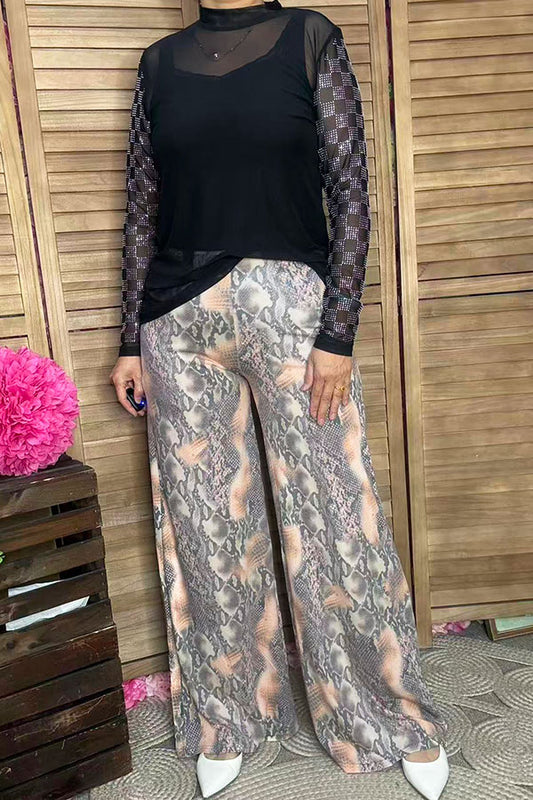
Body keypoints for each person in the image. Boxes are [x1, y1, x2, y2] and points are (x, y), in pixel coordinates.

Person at [110, 1, 450, 798]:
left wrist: (338, 332)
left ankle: (386, 717)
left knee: (336, 522)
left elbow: (349, 190)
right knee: (205, 530)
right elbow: (142, 212)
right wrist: (128, 338)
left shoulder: (308, 39)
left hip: (294, 315)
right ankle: (227, 718)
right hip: (177, 325)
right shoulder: (158, 65)